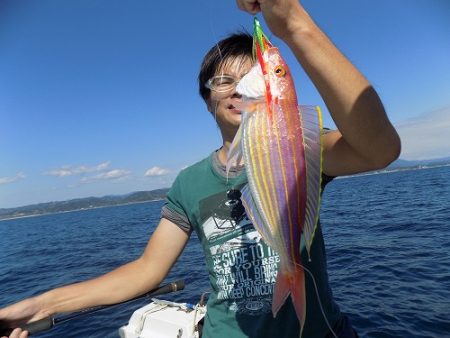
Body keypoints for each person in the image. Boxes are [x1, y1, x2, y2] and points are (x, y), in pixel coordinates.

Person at [0, 1, 401, 337]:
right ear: (207, 99)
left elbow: (378, 150)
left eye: (252, 75)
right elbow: (147, 270)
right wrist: (43, 303)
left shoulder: (300, 147)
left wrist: (294, 24)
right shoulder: (189, 182)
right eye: (224, 79)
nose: (239, 86)